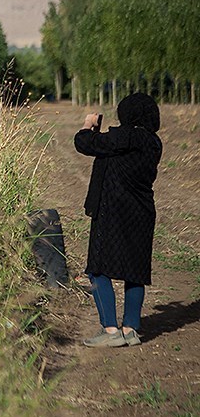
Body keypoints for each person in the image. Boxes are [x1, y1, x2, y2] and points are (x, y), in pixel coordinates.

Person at [73, 92, 162, 348]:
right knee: (135, 272)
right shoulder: (154, 142)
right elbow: (110, 149)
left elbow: (85, 143)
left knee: (98, 268)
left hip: (112, 210)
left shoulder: (125, 136)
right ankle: (131, 330)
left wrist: (88, 125)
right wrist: (101, 135)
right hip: (142, 212)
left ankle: (110, 330)